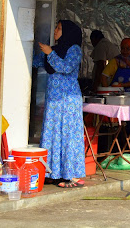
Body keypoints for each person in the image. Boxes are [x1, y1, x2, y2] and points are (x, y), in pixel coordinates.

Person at [33, 20, 86, 188]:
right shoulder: (54, 50)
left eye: (59, 28)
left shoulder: (74, 49)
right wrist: (39, 50)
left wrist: (50, 53)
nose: (55, 30)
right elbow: (36, 63)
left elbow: (66, 67)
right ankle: (52, 172)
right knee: (53, 133)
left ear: (68, 32)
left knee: (68, 135)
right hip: (54, 101)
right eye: (56, 27)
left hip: (68, 101)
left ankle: (70, 175)